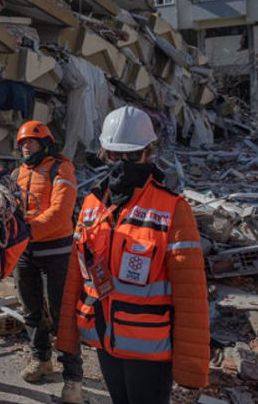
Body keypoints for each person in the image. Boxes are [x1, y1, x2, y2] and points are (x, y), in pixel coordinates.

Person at [57, 106, 209, 404]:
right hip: (103, 339)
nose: (123, 163)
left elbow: (191, 297)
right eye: (115, 155)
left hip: (149, 351)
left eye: (133, 156)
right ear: (105, 153)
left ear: (148, 153)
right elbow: (76, 276)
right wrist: (67, 338)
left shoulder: (172, 210)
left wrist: (191, 368)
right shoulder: (91, 204)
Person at [11, 120, 84, 402]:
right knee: (30, 309)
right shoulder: (18, 173)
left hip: (56, 251)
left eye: (31, 142)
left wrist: (25, 232)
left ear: (46, 144)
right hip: (26, 252)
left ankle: (73, 377)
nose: (26, 146)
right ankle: (41, 358)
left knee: (62, 313)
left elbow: (60, 212)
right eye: (22, 143)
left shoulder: (61, 169)